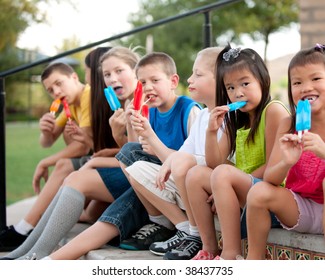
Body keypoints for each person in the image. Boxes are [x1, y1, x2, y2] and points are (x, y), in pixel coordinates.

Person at [35, 51, 201, 260]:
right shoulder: (146, 109)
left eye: (155, 80)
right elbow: (133, 150)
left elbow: (193, 159)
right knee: (125, 157)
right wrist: (129, 126)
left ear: (173, 81)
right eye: (144, 82)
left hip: (182, 184)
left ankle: (180, 227)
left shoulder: (189, 110)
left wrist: (103, 154)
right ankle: (35, 248)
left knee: (92, 176)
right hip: (157, 181)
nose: (148, 86)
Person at [1, 46, 140, 260]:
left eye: (119, 71)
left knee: (73, 177)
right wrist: (46, 130)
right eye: (107, 75)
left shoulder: (115, 101)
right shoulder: (124, 104)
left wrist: (98, 157)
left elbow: (137, 157)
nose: (112, 79)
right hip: (127, 168)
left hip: (139, 177)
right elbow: (48, 141)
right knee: (79, 191)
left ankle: (32, 249)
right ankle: (27, 248)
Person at [186, 44, 290, 260]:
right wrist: (211, 130)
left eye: (245, 83)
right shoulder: (236, 118)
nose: (238, 93)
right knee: (195, 175)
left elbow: (273, 168)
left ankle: (230, 254)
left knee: (223, 174)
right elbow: (214, 163)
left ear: (262, 80)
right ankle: (209, 249)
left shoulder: (274, 111)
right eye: (230, 88)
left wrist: (229, 183)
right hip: (246, 190)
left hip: (271, 197)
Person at [120, 47, 223, 260]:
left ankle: (192, 233)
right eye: (143, 83)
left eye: (198, 74)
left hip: (204, 187)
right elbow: (178, 155)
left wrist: (154, 141)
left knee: (172, 160)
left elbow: (194, 159)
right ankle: (180, 228)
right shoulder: (204, 114)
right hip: (183, 183)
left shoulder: (194, 111)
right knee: (133, 163)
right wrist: (134, 125)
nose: (190, 78)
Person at [0, 62, 93, 251]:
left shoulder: (87, 95)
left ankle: (25, 228)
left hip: (99, 157)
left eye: (59, 84)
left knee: (63, 164)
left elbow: (83, 146)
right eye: (50, 90)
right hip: (90, 160)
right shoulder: (69, 105)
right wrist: (45, 130)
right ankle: (29, 225)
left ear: (74, 77)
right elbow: (47, 142)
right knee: (65, 146)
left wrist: (46, 162)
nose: (56, 92)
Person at [245, 44, 325, 260]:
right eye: (297, 82)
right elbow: (271, 178)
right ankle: (254, 264)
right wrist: (287, 162)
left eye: (316, 79)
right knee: (259, 192)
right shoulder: (289, 124)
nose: (306, 87)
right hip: (301, 208)